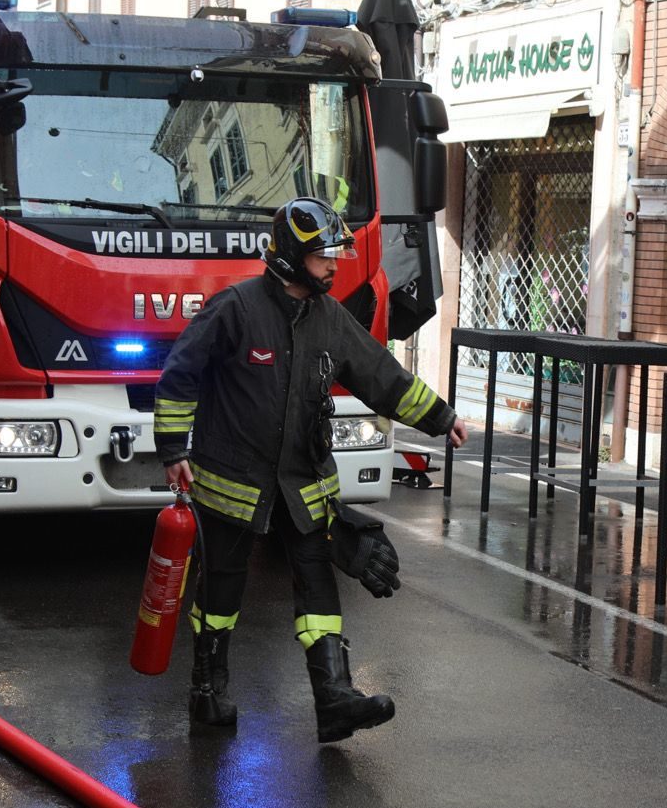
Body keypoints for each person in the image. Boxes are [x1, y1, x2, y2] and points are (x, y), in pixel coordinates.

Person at [155, 197, 468, 743]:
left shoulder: (329, 318)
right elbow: (180, 374)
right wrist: (174, 451)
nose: (335, 265)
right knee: (221, 592)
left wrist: (440, 418)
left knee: (318, 584)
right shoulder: (236, 308)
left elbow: (381, 375)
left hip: (305, 484)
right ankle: (208, 690)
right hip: (233, 483)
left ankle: (334, 699)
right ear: (293, 257)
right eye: (325, 257)